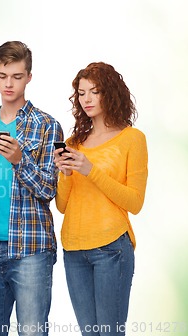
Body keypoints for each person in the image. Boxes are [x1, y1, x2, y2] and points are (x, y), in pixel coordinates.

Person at [0, 41, 63, 336]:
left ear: (29, 77)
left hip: (31, 249)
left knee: (33, 332)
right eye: (2, 75)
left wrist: (20, 160)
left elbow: (49, 188)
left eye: (17, 76)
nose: (8, 83)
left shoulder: (47, 126)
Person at [54, 62, 148, 336]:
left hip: (111, 250)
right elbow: (62, 206)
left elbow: (135, 202)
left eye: (94, 91)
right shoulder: (73, 143)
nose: (87, 99)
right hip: (73, 250)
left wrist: (90, 171)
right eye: (82, 93)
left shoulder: (132, 139)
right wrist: (66, 174)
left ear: (110, 93)